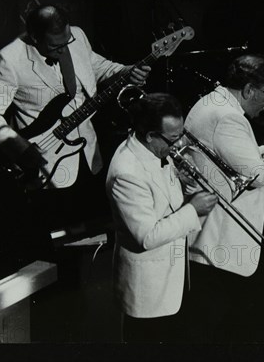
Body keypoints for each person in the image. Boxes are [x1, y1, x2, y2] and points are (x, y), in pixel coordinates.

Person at [0, 4, 151, 340]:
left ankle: (105, 312)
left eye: (66, 42)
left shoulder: (78, 38)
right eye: (54, 47)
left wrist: (127, 70)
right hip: (48, 164)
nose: (63, 50)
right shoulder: (10, 59)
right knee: (60, 255)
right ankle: (65, 324)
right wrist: (18, 147)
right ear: (33, 37)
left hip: (88, 156)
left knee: (99, 241)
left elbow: (98, 67)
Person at [184, 54, 264, 342]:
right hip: (222, 233)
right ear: (247, 90)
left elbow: (228, 159)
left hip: (209, 228)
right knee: (232, 323)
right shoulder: (229, 117)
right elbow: (255, 177)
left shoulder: (211, 102)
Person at [106, 92, 217, 343]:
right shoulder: (127, 172)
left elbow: (161, 199)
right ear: (150, 135)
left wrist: (181, 182)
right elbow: (147, 236)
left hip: (171, 275)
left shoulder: (154, 150)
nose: (179, 145)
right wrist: (193, 209)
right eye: (174, 138)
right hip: (148, 287)